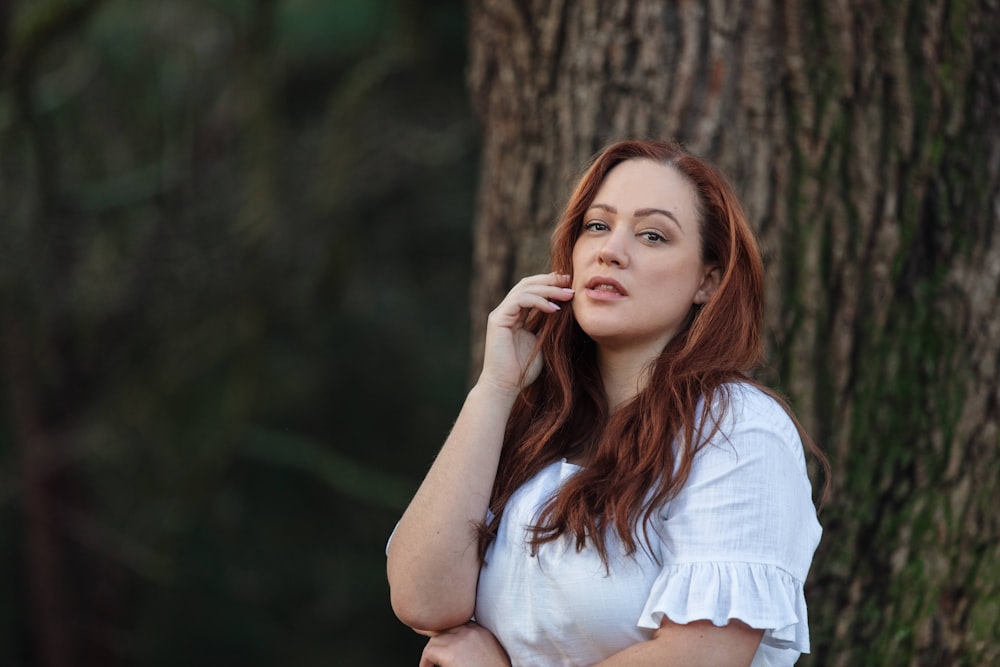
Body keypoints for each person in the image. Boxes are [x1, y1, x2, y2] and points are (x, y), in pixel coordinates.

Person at [386, 139, 829, 667]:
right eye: (597, 226)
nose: (611, 250)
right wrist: (496, 388)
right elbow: (424, 600)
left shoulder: (737, 428)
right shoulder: (536, 423)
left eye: (652, 235)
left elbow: (704, 657)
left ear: (707, 281)